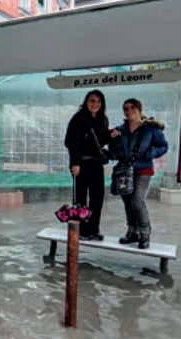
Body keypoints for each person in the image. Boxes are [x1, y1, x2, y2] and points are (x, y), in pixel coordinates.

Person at [110, 98, 168, 249]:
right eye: (126, 109)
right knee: (128, 201)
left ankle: (145, 233)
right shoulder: (120, 130)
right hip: (124, 171)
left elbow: (163, 146)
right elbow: (114, 152)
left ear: (139, 110)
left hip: (143, 170)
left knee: (137, 200)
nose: (129, 111)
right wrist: (113, 140)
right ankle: (132, 232)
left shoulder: (150, 129)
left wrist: (150, 153)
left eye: (132, 108)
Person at [64, 90, 110, 241]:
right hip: (81, 164)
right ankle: (82, 230)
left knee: (98, 197)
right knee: (81, 198)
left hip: (96, 163)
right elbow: (71, 142)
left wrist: (110, 135)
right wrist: (75, 163)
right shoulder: (78, 118)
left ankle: (94, 229)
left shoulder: (103, 119)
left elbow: (100, 141)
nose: (95, 104)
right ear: (86, 102)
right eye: (92, 101)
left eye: (98, 101)